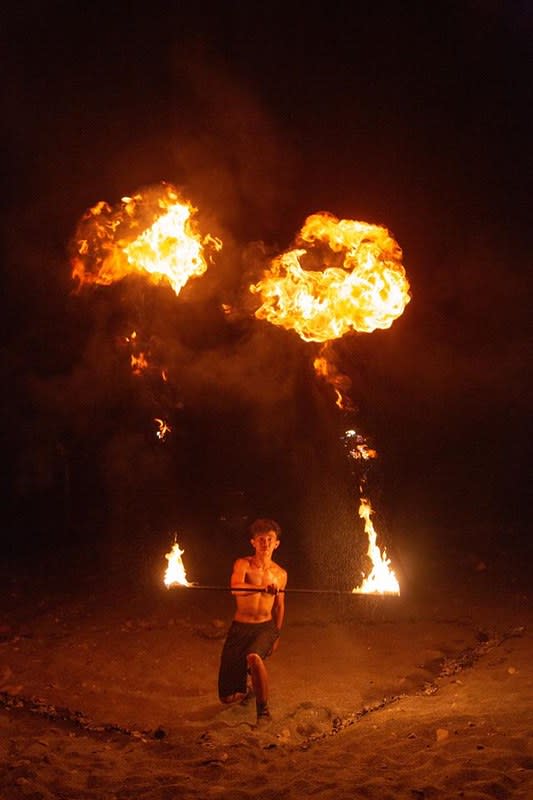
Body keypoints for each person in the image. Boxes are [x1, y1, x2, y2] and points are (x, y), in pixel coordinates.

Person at [218, 518, 287, 725]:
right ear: (253, 543)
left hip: (264, 627)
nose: (265, 543)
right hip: (240, 627)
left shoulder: (280, 574)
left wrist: (277, 633)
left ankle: (263, 712)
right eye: (260, 539)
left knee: (254, 657)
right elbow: (235, 588)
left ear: (276, 544)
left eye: (269, 539)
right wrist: (261, 588)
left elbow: (279, 606)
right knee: (227, 697)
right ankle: (248, 691)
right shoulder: (243, 564)